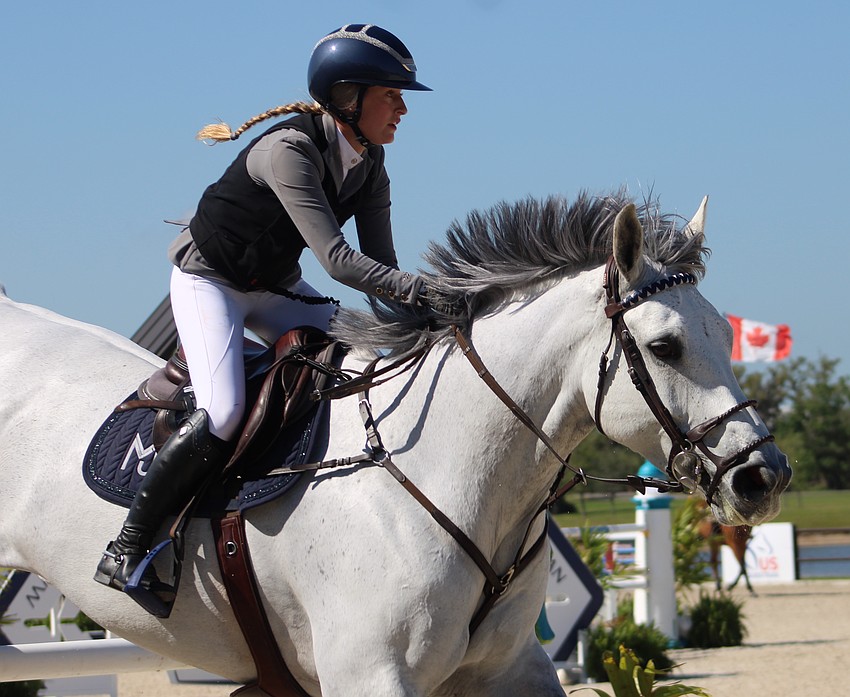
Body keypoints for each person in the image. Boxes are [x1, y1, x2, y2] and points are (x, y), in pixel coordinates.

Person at [94, 23, 432, 616]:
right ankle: (128, 545)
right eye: (392, 94)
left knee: (359, 353)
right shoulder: (289, 150)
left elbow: (384, 268)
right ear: (348, 96)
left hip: (272, 288)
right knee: (221, 411)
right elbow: (340, 261)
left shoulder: (370, 165)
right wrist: (429, 292)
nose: (403, 108)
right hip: (210, 283)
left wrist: (429, 320)